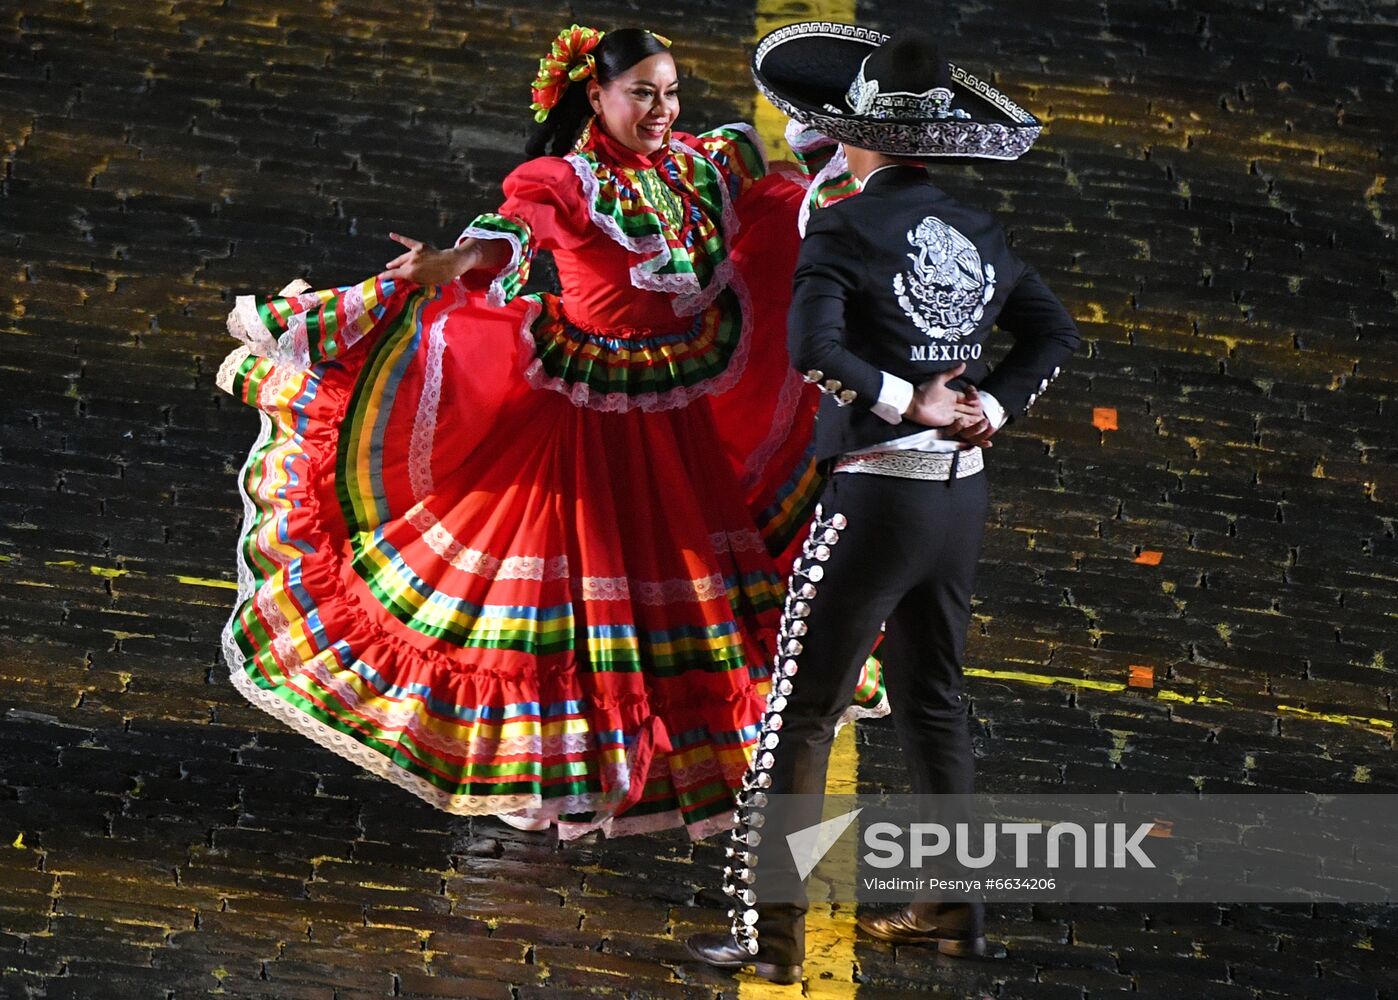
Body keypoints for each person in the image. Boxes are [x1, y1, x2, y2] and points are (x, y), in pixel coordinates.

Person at [215, 24, 886, 839]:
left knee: (670, 585)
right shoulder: (567, 179)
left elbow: (773, 192)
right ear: (594, 98)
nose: (660, 109)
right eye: (641, 93)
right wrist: (457, 264)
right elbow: (513, 231)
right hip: (590, 416)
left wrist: (849, 169)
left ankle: (635, 756)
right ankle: (554, 768)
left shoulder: (701, 163)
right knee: (564, 596)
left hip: (677, 415)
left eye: (669, 93)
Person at [687, 23, 1081, 983]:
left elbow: (816, 352)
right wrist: (988, 403)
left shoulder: (846, 225)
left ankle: (770, 935)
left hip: (876, 499)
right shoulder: (979, 229)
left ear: (849, 133)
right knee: (934, 703)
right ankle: (955, 912)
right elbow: (1052, 334)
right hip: (957, 503)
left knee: (802, 712)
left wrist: (909, 402)